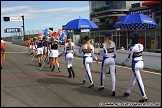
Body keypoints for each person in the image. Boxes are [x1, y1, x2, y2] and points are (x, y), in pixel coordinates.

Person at [121, 34, 147, 102]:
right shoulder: (141, 46)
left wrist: (124, 63)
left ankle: (144, 96)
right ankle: (128, 91)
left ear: (134, 40)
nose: (130, 40)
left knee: (139, 81)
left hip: (135, 64)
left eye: (132, 39)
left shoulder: (132, 48)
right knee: (133, 79)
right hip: (141, 63)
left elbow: (129, 58)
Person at [94, 31, 116, 96]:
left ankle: (102, 86)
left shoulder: (104, 44)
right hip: (112, 59)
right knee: (113, 74)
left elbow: (105, 53)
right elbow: (115, 53)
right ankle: (113, 89)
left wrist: (98, 53)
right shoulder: (113, 43)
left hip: (106, 59)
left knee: (103, 73)